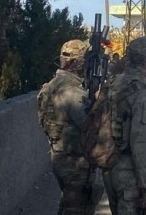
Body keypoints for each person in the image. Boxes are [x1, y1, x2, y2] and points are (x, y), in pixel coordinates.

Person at [38, 39, 102, 215]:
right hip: (74, 162)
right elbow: (90, 126)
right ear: (79, 62)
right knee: (77, 209)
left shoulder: (50, 85)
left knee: (69, 205)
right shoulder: (72, 91)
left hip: (59, 155)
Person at [103, 37, 146, 214]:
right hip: (128, 170)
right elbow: (140, 142)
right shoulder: (140, 92)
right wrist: (144, 187)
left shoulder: (112, 83)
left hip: (109, 165)